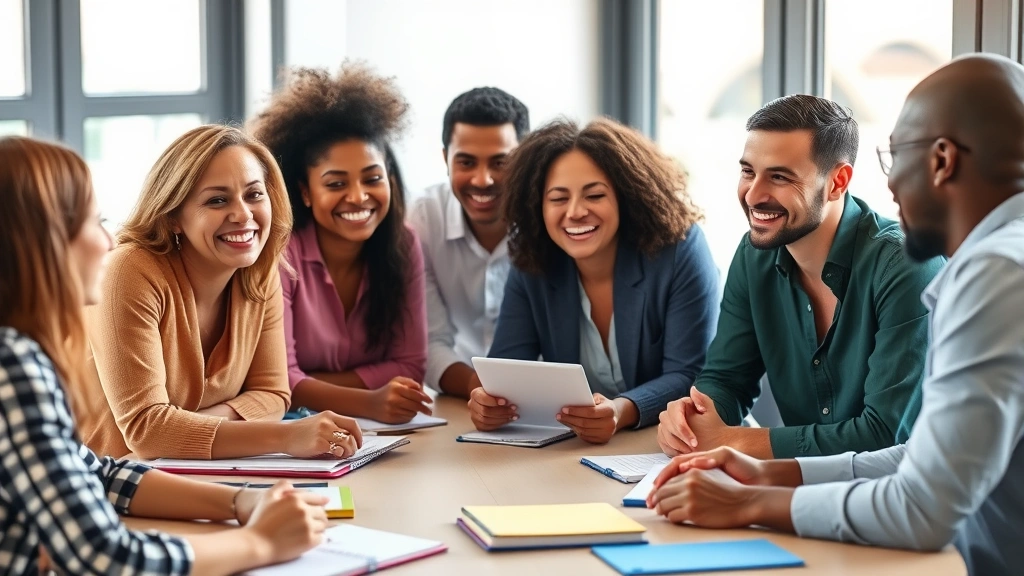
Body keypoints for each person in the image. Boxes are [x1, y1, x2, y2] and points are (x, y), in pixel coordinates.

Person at [648, 53, 1024, 576]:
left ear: (941, 161)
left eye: (897, 158)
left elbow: (922, 505)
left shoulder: (995, 272)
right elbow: (920, 458)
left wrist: (749, 500)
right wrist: (769, 474)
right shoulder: (1005, 259)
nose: (890, 186)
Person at [0, 135, 343, 575]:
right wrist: (258, 543)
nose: (108, 242)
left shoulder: (21, 355)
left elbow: (98, 474)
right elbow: (107, 557)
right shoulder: (14, 368)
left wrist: (243, 501)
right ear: (38, 242)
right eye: (92, 221)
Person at [656, 95, 944, 460]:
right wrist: (693, 419)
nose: (754, 195)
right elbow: (727, 379)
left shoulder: (906, 265)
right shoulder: (753, 256)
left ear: (837, 182)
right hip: (797, 487)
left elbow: (885, 434)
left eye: (779, 177)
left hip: (901, 501)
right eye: (748, 171)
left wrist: (734, 441)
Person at [79, 125, 362, 459]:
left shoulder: (258, 270)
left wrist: (187, 427)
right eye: (217, 200)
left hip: (193, 476)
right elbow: (146, 430)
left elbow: (273, 395)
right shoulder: (127, 272)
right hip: (99, 488)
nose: (243, 214)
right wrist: (285, 437)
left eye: (254, 194)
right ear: (172, 217)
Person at [467, 117, 720, 444]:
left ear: (625, 196)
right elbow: (506, 368)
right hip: (578, 451)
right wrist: (488, 403)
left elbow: (691, 374)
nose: (574, 212)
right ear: (538, 206)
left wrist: (621, 410)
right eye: (558, 198)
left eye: (594, 195)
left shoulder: (680, 250)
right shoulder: (533, 257)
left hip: (678, 442)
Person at [249, 63, 430, 425]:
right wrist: (369, 401)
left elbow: (411, 366)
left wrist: (312, 386)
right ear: (305, 192)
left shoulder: (404, 243)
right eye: (335, 184)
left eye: (372, 178)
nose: (358, 197)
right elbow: (277, 380)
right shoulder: (280, 253)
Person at [409, 87, 529, 397]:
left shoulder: (551, 215)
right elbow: (429, 341)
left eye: (500, 163)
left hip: (549, 397)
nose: (482, 180)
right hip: (459, 397)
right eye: (466, 162)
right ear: (446, 158)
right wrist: (482, 391)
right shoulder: (422, 218)